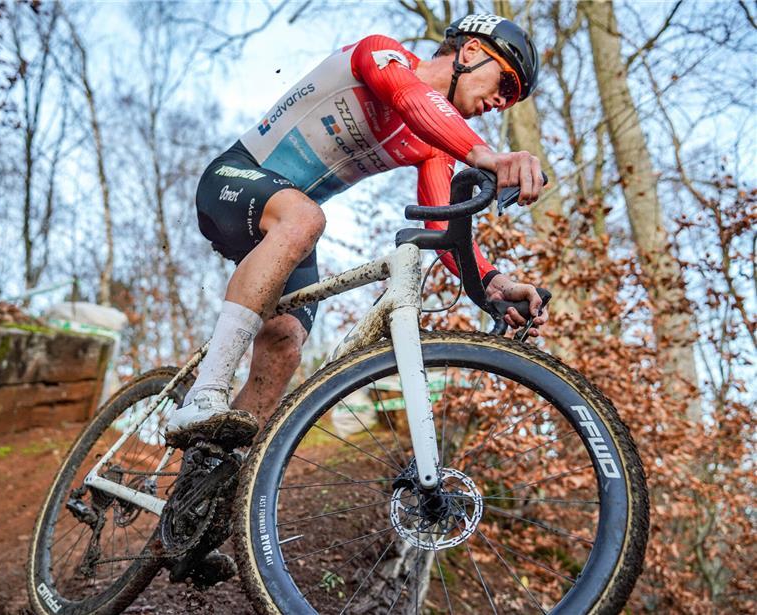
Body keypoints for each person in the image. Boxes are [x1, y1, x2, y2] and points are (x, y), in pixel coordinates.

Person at [165, 13, 550, 451]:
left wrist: (493, 285)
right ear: (471, 50)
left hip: (288, 227)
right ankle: (206, 392)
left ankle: (213, 476)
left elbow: (442, 224)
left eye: (512, 98)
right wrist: (486, 155)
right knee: (306, 219)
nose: (502, 102)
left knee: (288, 339)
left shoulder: (434, 145)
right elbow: (409, 98)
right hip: (234, 179)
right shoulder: (380, 54)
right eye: (505, 83)